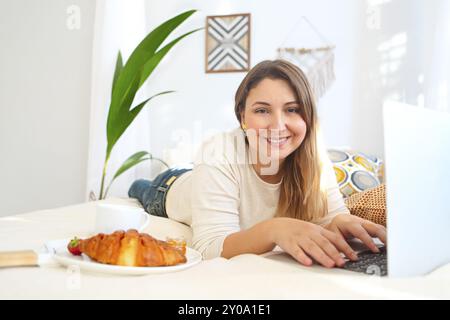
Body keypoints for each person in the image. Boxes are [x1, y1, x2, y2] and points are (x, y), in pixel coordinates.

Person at [129, 59, 386, 268]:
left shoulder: (314, 158)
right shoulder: (219, 151)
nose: (277, 125)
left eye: (292, 109)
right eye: (262, 110)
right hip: (171, 187)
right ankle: (140, 185)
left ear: (307, 115)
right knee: (141, 188)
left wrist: (338, 223)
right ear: (242, 117)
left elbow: (328, 218)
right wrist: (273, 230)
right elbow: (209, 249)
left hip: (204, 178)